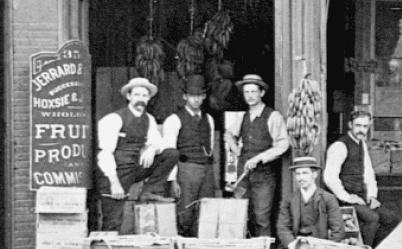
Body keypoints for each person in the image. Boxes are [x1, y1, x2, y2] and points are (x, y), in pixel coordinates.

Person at [95, 77, 180, 232]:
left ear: (148, 98)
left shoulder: (149, 120)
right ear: (128, 96)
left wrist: (152, 148)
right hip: (115, 174)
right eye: (137, 95)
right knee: (113, 222)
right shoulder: (114, 119)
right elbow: (104, 154)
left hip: (135, 169)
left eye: (144, 95)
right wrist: (114, 183)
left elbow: (160, 144)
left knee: (171, 154)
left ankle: (148, 192)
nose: (141, 99)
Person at [262, 155, 344, 249]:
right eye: (298, 174)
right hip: (291, 247)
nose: (301, 178)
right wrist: (291, 244)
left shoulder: (328, 199)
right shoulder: (289, 199)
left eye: (305, 173)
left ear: (314, 174)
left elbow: (338, 230)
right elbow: (282, 227)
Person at [228, 74, 290, 238]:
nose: (249, 95)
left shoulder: (273, 117)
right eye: (246, 92)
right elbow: (228, 135)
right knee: (240, 215)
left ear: (261, 93)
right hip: (243, 176)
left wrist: (259, 158)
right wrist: (236, 149)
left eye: (253, 91)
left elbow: (283, 144)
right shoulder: (242, 117)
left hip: (264, 176)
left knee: (261, 218)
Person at [161, 74, 217, 237]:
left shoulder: (209, 119)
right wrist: (173, 180)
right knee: (184, 215)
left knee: (206, 213)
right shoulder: (174, 120)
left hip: (205, 171)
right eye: (192, 96)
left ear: (204, 96)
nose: (196, 100)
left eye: (199, 95)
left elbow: (210, 148)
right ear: (185, 96)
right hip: (185, 171)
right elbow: (169, 152)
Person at [323, 109, 382, 247]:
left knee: (391, 219)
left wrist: (372, 196)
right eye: (358, 126)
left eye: (365, 126)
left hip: (362, 198)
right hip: (343, 200)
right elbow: (329, 177)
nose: (362, 130)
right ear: (350, 125)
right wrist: (347, 197)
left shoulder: (362, 144)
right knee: (372, 218)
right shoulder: (340, 146)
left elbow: (368, 173)